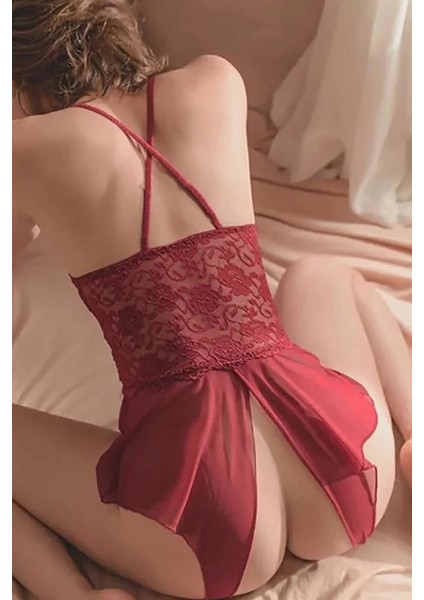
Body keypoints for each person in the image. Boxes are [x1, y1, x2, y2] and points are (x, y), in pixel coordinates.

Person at [12, 1, 412, 599]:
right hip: (347, 471)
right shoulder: (218, 79)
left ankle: (73, 593)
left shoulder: (20, 147)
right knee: (322, 273)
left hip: (209, 529)